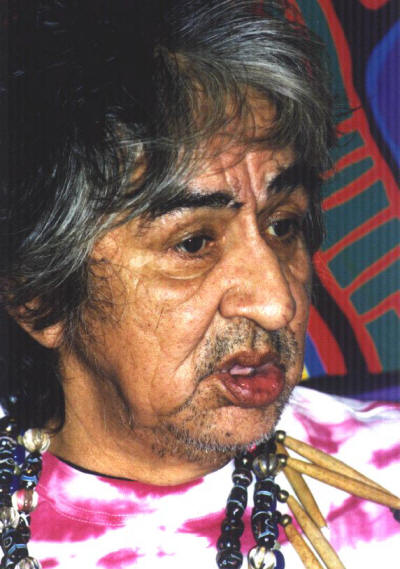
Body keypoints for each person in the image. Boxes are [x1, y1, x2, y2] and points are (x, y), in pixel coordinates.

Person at [1, 1, 399, 568]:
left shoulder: (384, 485)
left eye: (282, 226)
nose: (276, 302)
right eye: (193, 244)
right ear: (38, 297)